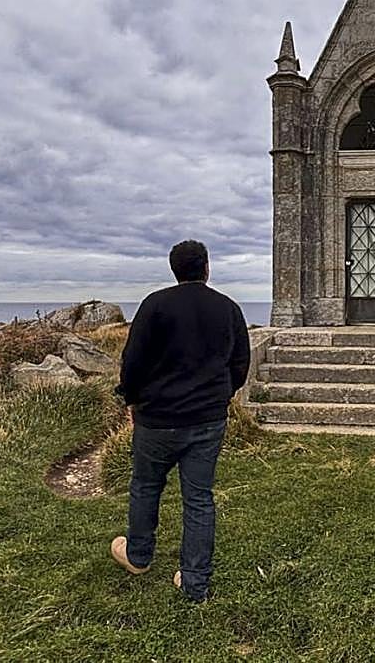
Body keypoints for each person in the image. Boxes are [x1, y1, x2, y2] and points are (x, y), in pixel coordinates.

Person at [109, 239, 250, 602]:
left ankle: (138, 556)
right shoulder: (228, 308)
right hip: (207, 420)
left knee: (145, 486)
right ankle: (194, 582)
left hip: (156, 420)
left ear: (174, 270)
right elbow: (240, 363)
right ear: (206, 268)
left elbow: (133, 362)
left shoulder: (155, 305)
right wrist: (223, 396)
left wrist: (131, 398)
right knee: (199, 498)